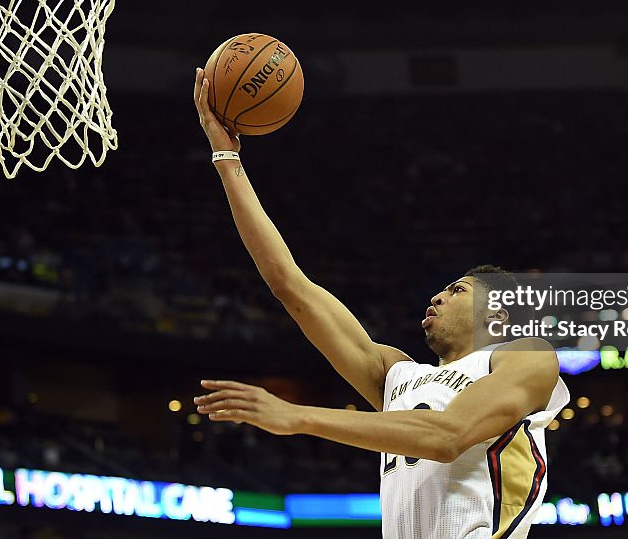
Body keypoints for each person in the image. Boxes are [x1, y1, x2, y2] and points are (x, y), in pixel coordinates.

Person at [191, 70, 570, 538]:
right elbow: (289, 284)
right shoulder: (398, 376)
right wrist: (226, 159)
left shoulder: (523, 355)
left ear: (497, 313)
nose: (437, 295)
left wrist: (298, 416)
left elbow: (448, 436)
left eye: (457, 290)